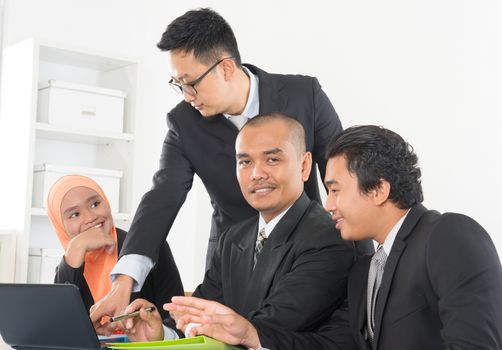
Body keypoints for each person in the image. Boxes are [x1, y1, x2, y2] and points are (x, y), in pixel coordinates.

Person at [90, 7, 365, 332]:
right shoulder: (184, 122)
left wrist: (365, 269)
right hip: (233, 258)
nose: (187, 95)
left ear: (226, 68)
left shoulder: (304, 95)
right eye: (177, 84)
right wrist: (124, 283)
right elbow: (162, 198)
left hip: (302, 251)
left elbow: (343, 174)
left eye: (191, 83)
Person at [117, 114, 359, 349]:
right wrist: (162, 332)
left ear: (304, 165)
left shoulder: (328, 237)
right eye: (245, 162)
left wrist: (204, 324)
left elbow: (267, 328)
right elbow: (200, 308)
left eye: (272, 160)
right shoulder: (233, 238)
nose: (257, 174)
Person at [320, 125, 502, 349]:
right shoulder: (364, 271)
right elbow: (331, 344)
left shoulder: (448, 235)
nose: (328, 205)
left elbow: (476, 345)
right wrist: (262, 342)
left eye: (335, 190)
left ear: (378, 190)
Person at [46, 175, 184, 325]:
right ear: (60, 226)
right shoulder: (70, 264)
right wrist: (75, 248)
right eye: (75, 214)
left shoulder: (147, 248)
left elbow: (177, 320)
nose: (90, 217)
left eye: (95, 204)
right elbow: (61, 327)